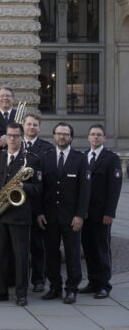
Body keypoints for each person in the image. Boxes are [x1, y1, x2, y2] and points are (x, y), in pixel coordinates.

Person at [0, 122, 41, 307]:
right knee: (0, 255)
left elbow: (39, 188)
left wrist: (24, 186)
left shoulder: (31, 160)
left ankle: (21, 294)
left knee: (21, 256)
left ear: (22, 137)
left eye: (16, 135)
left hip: (19, 215)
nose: (12, 139)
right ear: (5, 137)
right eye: (9, 135)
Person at [36, 122, 90, 304]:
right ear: (54, 136)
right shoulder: (46, 158)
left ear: (71, 137)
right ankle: (54, 287)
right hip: (49, 217)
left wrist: (80, 215)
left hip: (71, 217)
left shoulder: (80, 159)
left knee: (73, 254)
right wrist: (40, 212)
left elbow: (85, 190)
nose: (62, 137)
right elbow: (40, 189)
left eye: (65, 134)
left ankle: (72, 288)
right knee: (51, 253)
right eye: (59, 134)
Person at [80, 124, 123, 299]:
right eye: (93, 134)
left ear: (104, 138)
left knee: (102, 249)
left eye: (99, 135)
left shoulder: (110, 158)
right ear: (88, 138)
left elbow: (115, 188)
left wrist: (109, 213)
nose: (96, 137)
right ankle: (93, 282)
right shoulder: (84, 157)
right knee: (88, 249)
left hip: (101, 214)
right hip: (85, 214)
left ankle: (104, 284)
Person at [22, 113, 54, 293]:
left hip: (38, 205)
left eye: (35, 125)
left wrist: (42, 210)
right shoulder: (15, 144)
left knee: (37, 245)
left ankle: (38, 279)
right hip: (17, 205)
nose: (31, 127)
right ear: (23, 126)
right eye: (28, 124)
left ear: (39, 128)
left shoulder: (47, 148)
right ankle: (17, 279)